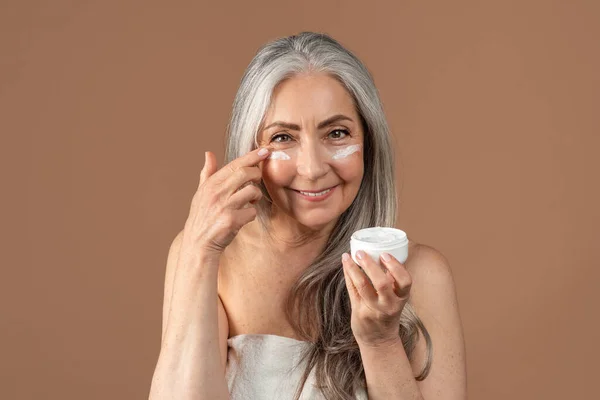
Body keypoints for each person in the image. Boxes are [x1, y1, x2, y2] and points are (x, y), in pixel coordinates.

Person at [149, 32, 467, 400]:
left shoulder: (421, 275)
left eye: (336, 133)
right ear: (250, 149)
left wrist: (380, 343)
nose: (313, 168)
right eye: (283, 137)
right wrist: (200, 250)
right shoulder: (207, 260)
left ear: (368, 144)